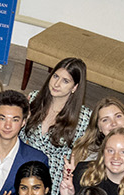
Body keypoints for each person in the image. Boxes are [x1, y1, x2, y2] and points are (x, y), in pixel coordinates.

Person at [23, 57, 91, 188]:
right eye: (55, 76)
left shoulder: (84, 118)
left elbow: (82, 155)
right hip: (24, 166)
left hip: (52, 178)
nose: (56, 83)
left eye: (65, 81)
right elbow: (20, 137)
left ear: (75, 87)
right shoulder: (33, 98)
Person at [71, 97, 124, 181]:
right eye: (105, 120)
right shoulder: (84, 152)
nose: (113, 123)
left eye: (118, 116)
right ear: (99, 128)